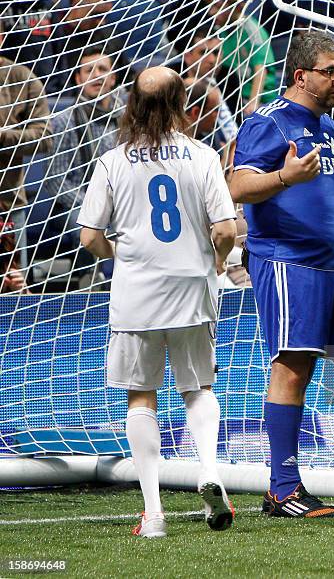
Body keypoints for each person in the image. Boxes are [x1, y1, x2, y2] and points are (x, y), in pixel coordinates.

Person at [77, 66, 237, 537]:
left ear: (134, 104)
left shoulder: (111, 161)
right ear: (180, 101)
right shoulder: (203, 156)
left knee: (141, 396)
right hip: (191, 286)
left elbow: (89, 237)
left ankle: (154, 515)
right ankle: (209, 469)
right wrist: (219, 259)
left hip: (137, 292)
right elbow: (226, 229)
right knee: (198, 388)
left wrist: (120, 254)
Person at [230, 31, 334, 518]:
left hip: (326, 265)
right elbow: (236, 184)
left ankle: (286, 485)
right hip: (286, 258)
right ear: (301, 76)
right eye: (331, 71)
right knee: (290, 363)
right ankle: (283, 487)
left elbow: (328, 190)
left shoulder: (332, 128)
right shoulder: (269, 122)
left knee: (304, 365)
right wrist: (282, 178)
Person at [45, 46, 122, 288]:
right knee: (83, 220)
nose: (96, 75)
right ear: (78, 79)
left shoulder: (127, 118)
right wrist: (93, 204)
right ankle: (91, 282)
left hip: (120, 199)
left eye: (103, 69)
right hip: (75, 203)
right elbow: (56, 180)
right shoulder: (64, 119)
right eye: (89, 70)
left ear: (113, 78)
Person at [0, 18, 52, 273]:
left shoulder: (21, 78)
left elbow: (45, 137)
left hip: (7, 201)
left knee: (13, 287)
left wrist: (4, 137)